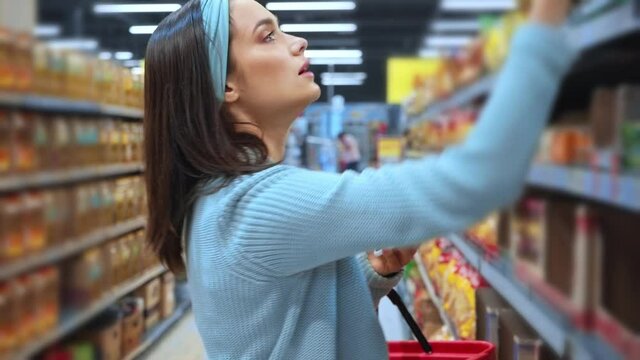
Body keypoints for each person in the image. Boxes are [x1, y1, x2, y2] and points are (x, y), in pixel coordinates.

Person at [143, 0, 576, 359]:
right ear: (226, 86)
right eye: (268, 35)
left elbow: (290, 325)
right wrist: (543, 26)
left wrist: (371, 274)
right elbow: (478, 179)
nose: (299, 42)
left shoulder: (219, 199)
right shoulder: (254, 208)